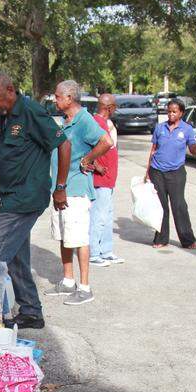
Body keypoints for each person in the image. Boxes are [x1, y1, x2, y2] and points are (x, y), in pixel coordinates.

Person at [0, 72, 71, 329]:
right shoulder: (5, 119)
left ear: (11, 90)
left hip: (27, 196)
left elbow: (63, 145)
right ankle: (31, 312)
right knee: (17, 256)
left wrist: (60, 187)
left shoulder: (30, 111)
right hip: (11, 196)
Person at [46, 80, 111, 306]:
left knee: (79, 238)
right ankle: (67, 281)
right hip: (60, 189)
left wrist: (88, 159)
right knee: (64, 236)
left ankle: (85, 287)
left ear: (69, 98)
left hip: (76, 190)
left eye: (57, 97)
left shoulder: (84, 120)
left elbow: (106, 141)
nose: (55, 100)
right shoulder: (66, 121)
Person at [143, 98, 196, 249]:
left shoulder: (187, 129)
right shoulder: (160, 128)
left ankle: (188, 240)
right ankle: (161, 239)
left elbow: (193, 151)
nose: (170, 114)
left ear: (181, 113)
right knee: (161, 207)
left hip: (176, 173)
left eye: (174, 112)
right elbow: (153, 150)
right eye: (169, 111)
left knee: (179, 205)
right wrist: (147, 171)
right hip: (157, 171)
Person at [90, 93, 122, 266]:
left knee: (107, 216)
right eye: (115, 106)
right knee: (98, 216)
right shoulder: (96, 123)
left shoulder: (107, 123)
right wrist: (95, 164)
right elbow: (87, 146)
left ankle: (106, 251)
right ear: (109, 107)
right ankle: (93, 253)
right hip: (100, 179)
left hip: (109, 179)